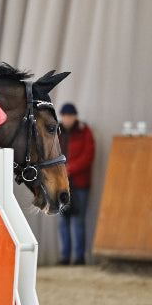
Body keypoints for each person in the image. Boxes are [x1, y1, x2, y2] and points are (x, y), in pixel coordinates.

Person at [57, 103, 96, 265]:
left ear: (75, 116)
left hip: (79, 184)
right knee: (62, 221)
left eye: (69, 116)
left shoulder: (84, 131)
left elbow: (89, 155)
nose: (66, 119)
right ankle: (65, 256)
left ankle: (79, 257)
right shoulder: (56, 131)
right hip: (60, 184)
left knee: (79, 220)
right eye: (64, 116)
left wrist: (70, 168)